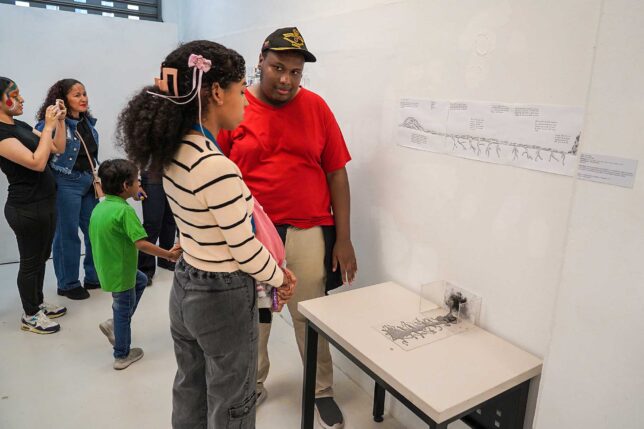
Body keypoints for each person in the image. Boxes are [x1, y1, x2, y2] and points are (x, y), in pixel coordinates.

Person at [116, 40, 296, 428]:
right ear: (216, 92)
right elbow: (244, 249)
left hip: (186, 284)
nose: (245, 100)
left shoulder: (174, 150)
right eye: (240, 89)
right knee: (233, 400)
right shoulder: (215, 166)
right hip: (222, 296)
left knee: (190, 387)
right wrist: (280, 277)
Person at [217, 27, 358, 429]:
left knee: (309, 314)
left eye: (295, 72)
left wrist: (344, 238)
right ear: (260, 60)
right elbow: (215, 174)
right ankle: (252, 384)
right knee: (255, 317)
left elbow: (337, 173)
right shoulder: (236, 107)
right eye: (278, 68)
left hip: (307, 230)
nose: (286, 79)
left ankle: (321, 389)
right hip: (252, 234)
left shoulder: (316, 107)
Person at [89, 159, 181, 370]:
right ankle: (121, 354)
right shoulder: (125, 212)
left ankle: (114, 324)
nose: (140, 184)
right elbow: (142, 244)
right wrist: (168, 254)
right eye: (137, 181)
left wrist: (134, 194)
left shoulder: (101, 207)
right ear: (125, 186)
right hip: (122, 271)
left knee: (140, 280)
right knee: (122, 310)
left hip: (107, 266)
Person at [0, 77, 68, 334]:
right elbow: (37, 163)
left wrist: (59, 122)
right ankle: (30, 315)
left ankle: (37, 303)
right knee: (30, 262)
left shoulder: (20, 125)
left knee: (41, 257)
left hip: (45, 203)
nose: (21, 99)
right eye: (14, 95)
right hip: (25, 208)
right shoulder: (1, 134)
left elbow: (57, 148)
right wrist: (48, 125)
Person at [35, 79, 101, 300]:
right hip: (65, 182)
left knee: (95, 231)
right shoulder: (50, 124)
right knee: (67, 235)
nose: (83, 98)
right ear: (62, 99)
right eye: (76, 95)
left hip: (88, 182)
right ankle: (68, 284)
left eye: (84, 93)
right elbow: (43, 150)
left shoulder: (87, 122)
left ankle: (93, 277)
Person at [137, 169, 177, 286]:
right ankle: (144, 268)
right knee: (152, 224)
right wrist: (137, 183)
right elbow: (135, 159)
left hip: (173, 178)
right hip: (151, 178)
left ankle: (166, 260)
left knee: (170, 222)